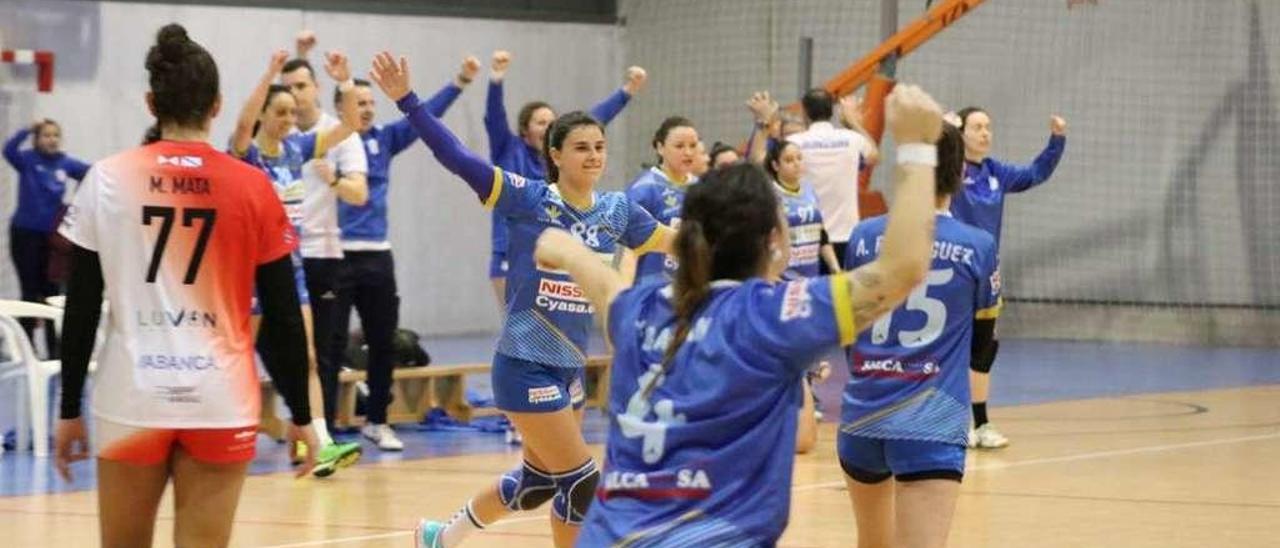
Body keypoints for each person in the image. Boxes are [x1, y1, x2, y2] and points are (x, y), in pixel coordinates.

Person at [538, 84, 945, 546]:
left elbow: (606, 286)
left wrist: (568, 251)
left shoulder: (641, 310)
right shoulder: (773, 317)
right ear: (774, 239)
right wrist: (917, 145)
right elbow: (903, 268)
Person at [367, 51, 674, 548]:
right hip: (523, 363)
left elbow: (668, 239)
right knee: (579, 482)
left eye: (599, 146)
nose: (594, 156)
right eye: (581, 148)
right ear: (555, 154)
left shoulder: (618, 210)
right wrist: (407, 100)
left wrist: (731, 235)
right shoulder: (529, 199)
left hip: (569, 365)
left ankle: (440, 538)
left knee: (537, 484)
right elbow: (459, 158)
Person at [52, 24, 319, 547]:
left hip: (131, 396)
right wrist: (302, 416)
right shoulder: (253, 186)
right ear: (217, 105)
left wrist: (67, 411)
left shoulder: (107, 179)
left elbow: (80, 307)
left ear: (152, 101)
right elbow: (285, 315)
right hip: (220, 398)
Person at [838, 123, 999, 548]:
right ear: (960, 172)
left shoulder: (863, 235)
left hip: (862, 412)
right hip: (930, 417)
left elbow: (852, 328)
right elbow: (984, 344)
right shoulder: (978, 245)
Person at [331, 55, 481, 450]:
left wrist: (460, 81)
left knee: (383, 342)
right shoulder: (327, 143)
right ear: (341, 107)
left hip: (377, 256)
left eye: (369, 103)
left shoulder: (384, 139)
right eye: (358, 102)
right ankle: (325, 426)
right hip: (334, 255)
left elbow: (424, 115)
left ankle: (377, 421)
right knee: (329, 345)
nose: (365, 109)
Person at [229, 50, 364, 476]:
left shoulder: (298, 149)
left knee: (306, 356)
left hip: (291, 266)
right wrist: (269, 72)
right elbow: (240, 125)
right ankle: (230, 434)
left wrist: (344, 84)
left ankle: (320, 442)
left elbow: (350, 126)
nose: (290, 119)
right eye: (281, 112)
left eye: (293, 111)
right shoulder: (247, 154)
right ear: (264, 115)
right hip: (248, 271)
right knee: (238, 355)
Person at [484, 49, 648, 307]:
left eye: (552, 122)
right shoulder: (508, 149)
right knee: (519, 329)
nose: (547, 127)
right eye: (540, 122)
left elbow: (595, 118)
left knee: (555, 331)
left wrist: (627, 91)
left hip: (553, 251)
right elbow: (494, 118)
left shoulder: (562, 158)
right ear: (525, 129)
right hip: (511, 251)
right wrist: (496, 78)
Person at [951, 106, 1066, 449]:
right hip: (955, 271)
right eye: (977, 127)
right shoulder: (949, 171)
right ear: (961, 134)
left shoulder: (995, 171)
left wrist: (1057, 141)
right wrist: (942, 133)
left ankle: (981, 423)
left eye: (988, 126)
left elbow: (1034, 174)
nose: (985, 133)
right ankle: (951, 422)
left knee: (984, 350)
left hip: (988, 274)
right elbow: (926, 168)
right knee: (951, 348)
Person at [283, 31, 375, 447]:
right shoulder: (277, 140)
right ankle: (295, 427)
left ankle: (318, 434)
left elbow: (359, 194)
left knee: (321, 352)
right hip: (278, 257)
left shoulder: (334, 135)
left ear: (316, 89)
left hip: (322, 255)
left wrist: (346, 82)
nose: (295, 95)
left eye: (302, 86)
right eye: (287, 89)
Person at [4, 118, 90, 355]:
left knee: (52, 292)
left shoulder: (65, 163)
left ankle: (55, 350)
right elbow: (8, 150)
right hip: (25, 234)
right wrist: (27, 128)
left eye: (55, 135)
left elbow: (92, 173)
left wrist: (77, 204)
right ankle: (28, 349)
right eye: (46, 135)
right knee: (30, 291)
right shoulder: (28, 160)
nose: (51, 140)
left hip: (52, 239)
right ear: (37, 139)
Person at [787, 88, 880, 274]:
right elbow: (874, 155)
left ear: (804, 112)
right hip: (847, 235)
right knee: (842, 298)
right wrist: (853, 122)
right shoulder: (852, 139)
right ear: (832, 111)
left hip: (808, 237)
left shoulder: (793, 143)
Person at [625, 116, 700, 283]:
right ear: (660, 147)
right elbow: (623, 249)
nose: (688, 152)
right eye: (679, 146)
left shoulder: (702, 188)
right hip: (650, 290)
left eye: (693, 145)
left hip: (690, 290)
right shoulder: (643, 190)